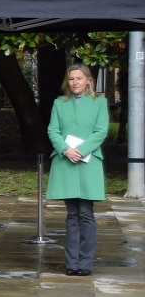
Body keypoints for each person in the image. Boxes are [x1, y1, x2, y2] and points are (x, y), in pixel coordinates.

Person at [46, 63, 108, 277]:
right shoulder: (58, 103)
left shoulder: (100, 102)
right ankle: (72, 263)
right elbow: (52, 130)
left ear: (88, 80)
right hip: (65, 163)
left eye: (79, 78)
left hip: (89, 162)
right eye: (71, 79)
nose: (75, 82)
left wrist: (80, 150)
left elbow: (101, 131)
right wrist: (65, 150)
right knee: (72, 214)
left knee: (86, 214)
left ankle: (86, 263)